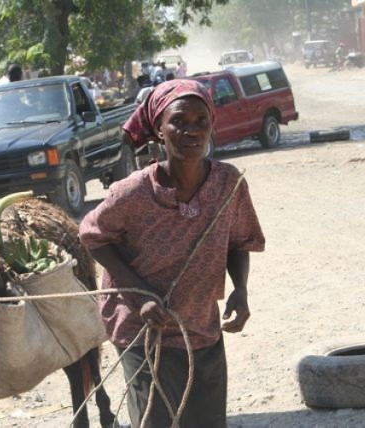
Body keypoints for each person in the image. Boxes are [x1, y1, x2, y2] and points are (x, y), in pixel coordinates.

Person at [79, 79, 265, 427]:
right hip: (143, 328)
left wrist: (240, 289)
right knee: (156, 421)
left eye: (200, 121)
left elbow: (240, 241)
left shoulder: (228, 183)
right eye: (178, 121)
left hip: (200, 325)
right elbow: (92, 236)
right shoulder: (133, 191)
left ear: (211, 126)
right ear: (159, 131)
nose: (191, 130)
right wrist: (140, 295)